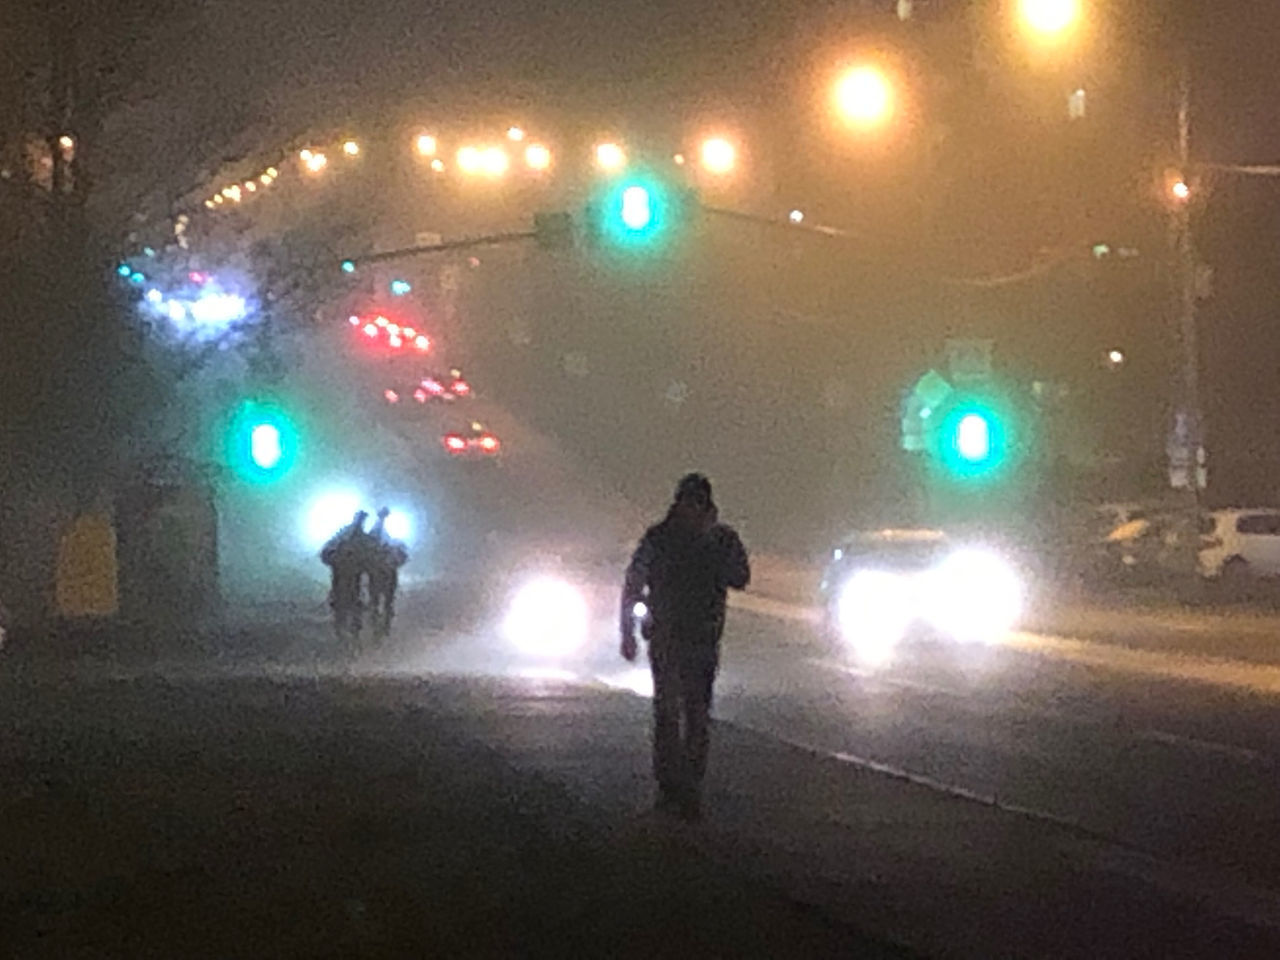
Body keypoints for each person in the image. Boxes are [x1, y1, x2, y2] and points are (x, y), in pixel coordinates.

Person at [620, 473, 750, 821]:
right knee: (671, 712)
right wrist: (627, 633)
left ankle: (687, 787)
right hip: (671, 636)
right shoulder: (663, 538)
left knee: (693, 714)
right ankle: (672, 787)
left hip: (699, 637)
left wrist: (629, 632)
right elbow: (634, 582)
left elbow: (740, 577)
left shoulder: (712, 539)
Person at [321, 510, 372, 640]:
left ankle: (351, 630)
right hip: (343, 575)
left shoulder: (361, 539)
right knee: (343, 601)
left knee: (352, 600)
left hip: (352, 576)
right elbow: (328, 552)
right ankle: (343, 629)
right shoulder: (344, 537)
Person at [367, 507, 409, 638]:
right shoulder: (382, 535)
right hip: (384, 571)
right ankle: (382, 625)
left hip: (382, 571)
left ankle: (381, 624)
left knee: (380, 599)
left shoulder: (378, 534)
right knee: (384, 600)